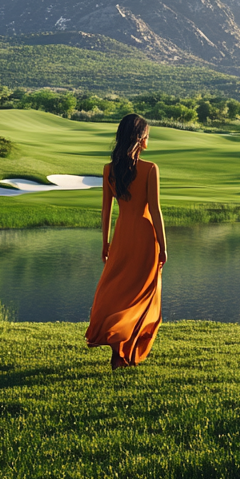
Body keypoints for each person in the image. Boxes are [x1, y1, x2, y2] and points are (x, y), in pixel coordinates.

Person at [87, 114, 166, 370]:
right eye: (147, 135)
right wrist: (164, 247)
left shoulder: (109, 170)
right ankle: (125, 350)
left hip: (121, 236)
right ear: (140, 139)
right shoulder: (150, 168)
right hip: (145, 238)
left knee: (118, 291)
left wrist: (105, 242)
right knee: (142, 295)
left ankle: (119, 350)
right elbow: (155, 211)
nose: (148, 140)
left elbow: (106, 211)